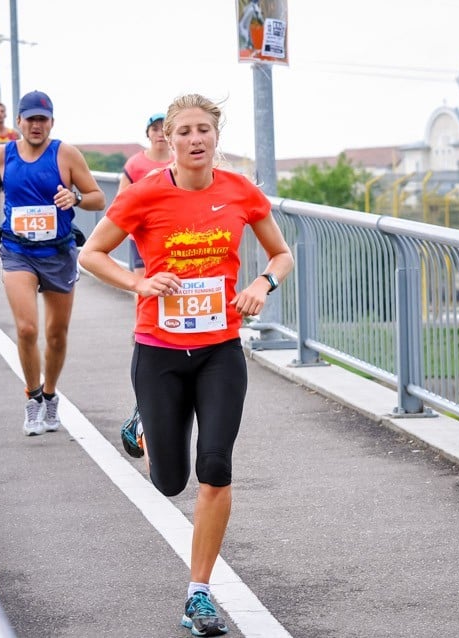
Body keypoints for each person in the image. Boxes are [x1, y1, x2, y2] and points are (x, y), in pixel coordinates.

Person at [79, 93, 293, 637]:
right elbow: (92, 253)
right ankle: (147, 424)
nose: (196, 139)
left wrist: (261, 285)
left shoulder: (240, 191)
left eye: (204, 130)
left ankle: (199, 593)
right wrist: (138, 281)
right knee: (169, 482)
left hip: (221, 350)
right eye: (184, 131)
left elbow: (281, 253)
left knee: (215, 466)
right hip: (159, 350)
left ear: (216, 137)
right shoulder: (145, 194)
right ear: (167, 140)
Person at [0, 90, 106, 436]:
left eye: (42, 119)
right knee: (27, 329)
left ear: (51, 123)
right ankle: (32, 399)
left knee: (55, 335)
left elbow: (97, 198)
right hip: (18, 251)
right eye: (29, 119)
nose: (36, 125)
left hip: (58, 253)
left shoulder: (66, 154)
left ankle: (49, 394)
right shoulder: (3, 154)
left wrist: (74, 197)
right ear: (18, 122)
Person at [118, 112, 173, 460]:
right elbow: (121, 204)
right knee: (148, 309)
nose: (159, 135)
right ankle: (145, 412)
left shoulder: (182, 161)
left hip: (181, 252)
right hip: (144, 248)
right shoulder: (136, 164)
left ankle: (150, 409)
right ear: (148, 134)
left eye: (163, 129)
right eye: (155, 129)